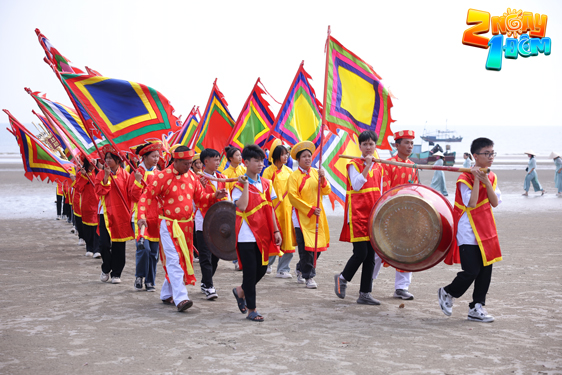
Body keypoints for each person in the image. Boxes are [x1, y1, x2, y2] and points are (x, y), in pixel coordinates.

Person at [138, 146, 221, 312]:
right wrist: (141, 217)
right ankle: (181, 298)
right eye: (186, 163)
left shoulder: (192, 176)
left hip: (187, 226)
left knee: (181, 260)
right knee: (174, 260)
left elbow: (200, 199)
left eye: (191, 163)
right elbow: (146, 196)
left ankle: (165, 293)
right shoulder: (161, 176)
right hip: (168, 225)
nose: (189, 166)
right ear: (175, 161)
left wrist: (214, 196)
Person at [438, 137, 502, 323]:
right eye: (487, 153)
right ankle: (448, 292)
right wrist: (475, 180)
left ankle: (477, 307)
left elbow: (495, 203)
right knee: (471, 271)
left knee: (486, 270)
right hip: (468, 230)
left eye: (492, 153)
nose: (491, 157)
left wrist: (486, 182)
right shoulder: (463, 177)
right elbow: (471, 203)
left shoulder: (492, 176)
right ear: (475, 156)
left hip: (487, 229)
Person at [232, 145, 283, 321]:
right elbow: (243, 206)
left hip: (264, 234)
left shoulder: (267, 184)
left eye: (262, 160)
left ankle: (241, 291)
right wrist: (246, 184)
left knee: (262, 269)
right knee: (250, 271)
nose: (260, 164)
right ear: (246, 162)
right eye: (256, 161)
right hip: (246, 235)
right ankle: (252, 310)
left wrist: (276, 230)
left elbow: (270, 210)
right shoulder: (237, 185)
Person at [335, 130, 383, 305]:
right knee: (361, 253)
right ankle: (342, 278)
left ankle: (365, 293)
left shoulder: (379, 166)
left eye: (371, 144)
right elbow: (356, 185)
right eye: (365, 144)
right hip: (357, 214)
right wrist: (367, 166)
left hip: (373, 214)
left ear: (375, 145)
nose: (368, 147)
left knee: (370, 256)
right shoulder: (353, 164)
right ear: (360, 146)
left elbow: (381, 190)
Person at [372, 130, 418, 300]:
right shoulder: (388, 164)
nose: (410, 146)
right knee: (379, 248)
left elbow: (416, 190)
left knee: (407, 251)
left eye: (412, 143)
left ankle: (401, 287)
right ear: (397, 145)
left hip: (408, 216)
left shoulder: (413, 166)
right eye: (406, 143)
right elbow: (385, 190)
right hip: (390, 214)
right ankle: (368, 281)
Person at [287, 141, 331, 289]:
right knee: (306, 248)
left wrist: (323, 178)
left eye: (309, 156)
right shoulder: (293, 176)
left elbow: (326, 191)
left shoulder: (315, 172)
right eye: (304, 156)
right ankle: (309, 277)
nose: (307, 159)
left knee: (316, 248)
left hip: (317, 216)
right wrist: (310, 209)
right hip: (301, 217)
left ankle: (300, 268)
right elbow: (293, 197)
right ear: (298, 159)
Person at [95, 145, 134, 284]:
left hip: (121, 212)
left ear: (118, 160)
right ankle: (106, 268)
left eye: (111, 158)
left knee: (119, 243)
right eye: (106, 158)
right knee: (104, 244)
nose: (108, 160)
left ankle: (117, 273)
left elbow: (132, 193)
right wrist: (106, 177)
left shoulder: (126, 175)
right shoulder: (100, 174)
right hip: (105, 212)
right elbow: (100, 191)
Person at [195, 148, 229, 299]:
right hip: (202, 220)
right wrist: (203, 190)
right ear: (205, 162)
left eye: (218, 159)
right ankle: (209, 286)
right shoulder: (197, 178)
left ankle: (205, 282)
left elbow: (227, 200)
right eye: (215, 159)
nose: (218, 162)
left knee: (216, 255)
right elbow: (194, 200)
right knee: (205, 255)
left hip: (218, 223)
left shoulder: (222, 177)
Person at [128, 141, 163, 292]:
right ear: (145, 157)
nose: (156, 159)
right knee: (144, 248)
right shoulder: (137, 173)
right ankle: (139, 276)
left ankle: (150, 280)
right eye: (153, 156)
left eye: (157, 156)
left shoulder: (159, 174)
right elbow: (133, 195)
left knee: (154, 252)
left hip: (156, 216)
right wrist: (137, 181)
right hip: (141, 215)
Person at [263, 140, 296, 278]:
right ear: (276, 155)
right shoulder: (268, 171)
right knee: (272, 237)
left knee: (288, 239)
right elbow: (264, 191)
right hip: (274, 210)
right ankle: (267, 264)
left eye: (287, 155)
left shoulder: (289, 171)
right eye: (283, 155)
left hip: (288, 210)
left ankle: (283, 269)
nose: (286, 157)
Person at [223, 146, 246, 271]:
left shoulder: (245, 170)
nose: (240, 157)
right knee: (235, 234)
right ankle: (236, 259)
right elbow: (226, 192)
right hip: (233, 207)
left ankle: (242, 259)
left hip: (245, 207)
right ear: (231, 158)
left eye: (240, 155)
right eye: (237, 155)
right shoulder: (225, 174)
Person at [74, 157, 100, 257]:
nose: (93, 161)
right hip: (86, 204)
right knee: (87, 227)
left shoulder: (98, 172)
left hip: (97, 204)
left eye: (94, 159)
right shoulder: (81, 173)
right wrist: (84, 176)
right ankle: (89, 248)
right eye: (91, 160)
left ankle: (97, 249)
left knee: (96, 227)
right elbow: (78, 188)